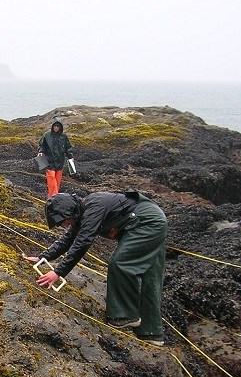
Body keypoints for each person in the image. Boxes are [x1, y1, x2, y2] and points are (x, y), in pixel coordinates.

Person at [24, 190, 167, 342]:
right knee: (149, 276)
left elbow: (83, 242)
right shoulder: (83, 212)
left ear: (70, 210)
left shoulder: (93, 206)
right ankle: (151, 333)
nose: (65, 225)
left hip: (147, 222)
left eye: (65, 221)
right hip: (148, 221)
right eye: (62, 224)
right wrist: (42, 257)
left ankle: (125, 316)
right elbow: (68, 239)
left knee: (120, 263)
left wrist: (58, 272)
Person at [38, 117, 74, 197]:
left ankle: (52, 197)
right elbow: (42, 145)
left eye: (58, 126)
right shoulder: (46, 135)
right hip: (49, 161)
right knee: (51, 179)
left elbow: (68, 147)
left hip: (60, 162)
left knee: (57, 182)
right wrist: (41, 152)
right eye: (55, 126)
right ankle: (55, 197)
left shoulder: (64, 137)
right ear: (52, 126)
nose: (56, 128)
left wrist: (70, 156)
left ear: (60, 127)